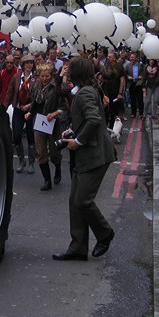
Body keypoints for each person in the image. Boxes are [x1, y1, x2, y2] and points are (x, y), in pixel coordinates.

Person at [52, 56, 115, 261]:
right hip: (85, 155)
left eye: (70, 68)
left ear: (76, 72)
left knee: (83, 201)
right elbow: (86, 119)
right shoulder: (83, 90)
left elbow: (95, 119)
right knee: (74, 201)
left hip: (95, 154)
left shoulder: (86, 92)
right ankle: (78, 247)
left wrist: (77, 141)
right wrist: (71, 131)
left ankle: (105, 233)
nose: (66, 70)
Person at [25, 63, 66, 190]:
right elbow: (35, 102)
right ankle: (47, 180)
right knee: (41, 151)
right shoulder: (36, 86)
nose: (44, 79)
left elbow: (64, 108)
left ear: (52, 76)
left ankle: (57, 168)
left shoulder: (56, 87)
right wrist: (30, 112)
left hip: (53, 122)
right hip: (39, 120)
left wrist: (54, 113)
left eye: (47, 76)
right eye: (42, 76)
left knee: (54, 152)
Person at [4, 55, 36, 174]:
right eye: (27, 63)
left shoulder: (35, 78)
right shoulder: (16, 77)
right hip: (18, 109)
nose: (29, 65)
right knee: (16, 135)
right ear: (23, 65)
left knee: (30, 135)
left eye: (31, 63)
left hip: (30, 110)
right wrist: (5, 106)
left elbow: (38, 96)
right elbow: (9, 93)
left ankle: (31, 162)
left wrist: (30, 106)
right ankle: (21, 161)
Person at [124, 51, 145, 119]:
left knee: (140, 99)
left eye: (133, 57)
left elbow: (144, 72)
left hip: (138, 83)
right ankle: (133, 113)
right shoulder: (128, 65)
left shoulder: (141, 65)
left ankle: (141, 113)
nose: (131, 58)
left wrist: (141, 76)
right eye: (130, 57)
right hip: (131, 83)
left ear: (137, 58)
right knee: (132, 99)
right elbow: (125, 74)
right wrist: (128, 77)